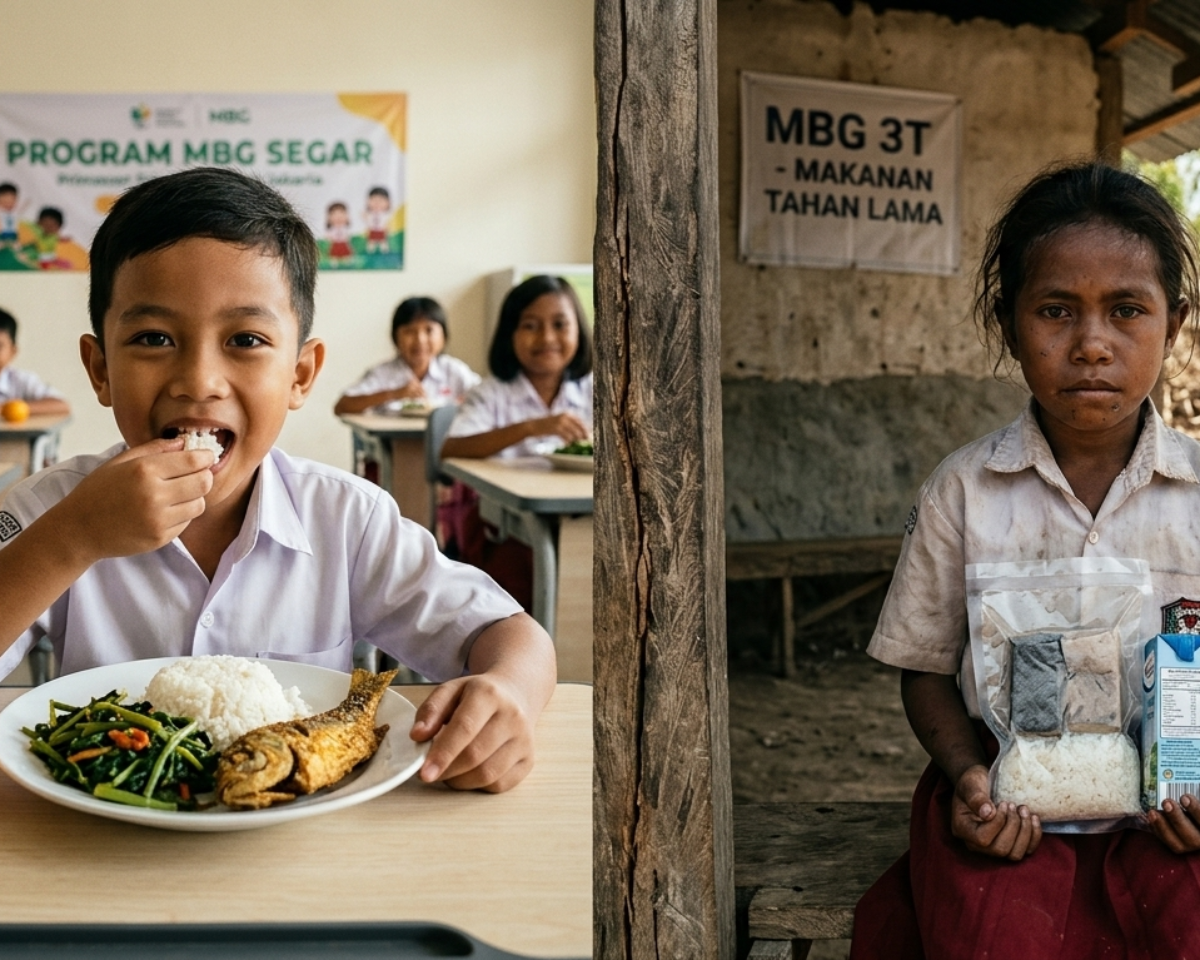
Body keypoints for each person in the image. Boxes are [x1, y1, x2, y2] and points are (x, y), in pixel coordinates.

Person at [0, 166, 555, 794]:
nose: (199, 380)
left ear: (300, 374)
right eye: (154, 337)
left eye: (245, 339)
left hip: (304, 851)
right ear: (100, 369)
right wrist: (72, 540)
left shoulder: (346, 520)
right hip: (98, 852)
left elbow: (511, 635)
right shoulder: (54, 508)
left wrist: (508, 693)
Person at [849, 160, 1200, 959]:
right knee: (992, 937)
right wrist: (969, 775)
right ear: (1010, 327)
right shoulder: (965, 492)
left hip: (1174, 818)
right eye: (1055, 311)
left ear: (1172, 326)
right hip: (1013, 808)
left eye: (1127, 311)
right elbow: (927, 668)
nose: (1091, 345)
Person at [439, 275, 592, 608]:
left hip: (588, 524)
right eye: (530, 325)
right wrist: (532, 426)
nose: (547, 337)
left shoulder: (599, 389)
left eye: (559, 324)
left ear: (579, 330)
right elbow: (452, 448)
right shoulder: (493, 393)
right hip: (508, 531)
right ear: (510, 334)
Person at [333, 296, 480, 416]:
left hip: (443, 448)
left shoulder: (454, 370)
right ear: (395, 337)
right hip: (393, 448)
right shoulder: (383, 374)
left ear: (444, 337)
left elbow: (484, 399)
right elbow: (342, 406)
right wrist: (393, 394)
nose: (420, 340)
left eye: (429, 330)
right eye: (409, 331)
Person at [0, 308, 71, 417]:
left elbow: (61, 405)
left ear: (13, 351)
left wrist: (10, 409)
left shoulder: (20, 380)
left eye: (0, 346)